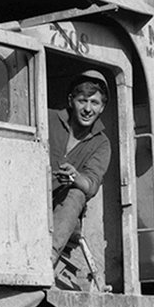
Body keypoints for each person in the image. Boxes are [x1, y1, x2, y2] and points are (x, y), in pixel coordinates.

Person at [49, 69, 112, 264]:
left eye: (94, 102)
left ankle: (45, 261)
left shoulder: (102, 144)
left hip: (63, 214)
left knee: (77, 194)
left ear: (102, 108)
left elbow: (91, 184)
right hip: (29, 201)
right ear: (70, 101)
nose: (88, 108)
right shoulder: (48, 118)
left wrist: (76, 177)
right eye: (82, 101)